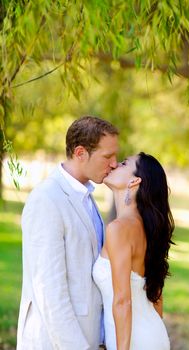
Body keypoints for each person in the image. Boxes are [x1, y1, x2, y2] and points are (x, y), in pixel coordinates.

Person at [17, 116, 119, 350]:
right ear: (80, 152)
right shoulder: (46, 200)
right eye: (107, 156)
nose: (114, 164)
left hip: (88, 337)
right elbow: (49, 292)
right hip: (55, 342)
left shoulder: (87, 196)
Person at [93, 152, 175, 350]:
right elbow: (156, 297)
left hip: (133, 342)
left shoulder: (119, 229)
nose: (114, 165)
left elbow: (122, 301)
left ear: (134, 181)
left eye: (123, 163)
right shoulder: (146, 229)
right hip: (151, 335)